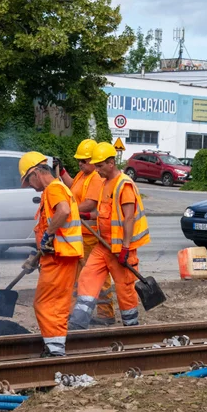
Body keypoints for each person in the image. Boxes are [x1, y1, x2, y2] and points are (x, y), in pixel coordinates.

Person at [69, 142, 150, 330]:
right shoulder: (105, 184)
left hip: (120, 248)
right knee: (87, 277)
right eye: (96, 166)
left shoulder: (124, 185)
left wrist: (126, 248)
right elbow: (104, 212)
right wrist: (87, 215)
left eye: (100, 166)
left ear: (111, 163)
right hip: (103, 245)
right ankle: (78, 322)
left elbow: (128, 218)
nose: (97, 170)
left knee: (124, 287)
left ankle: (131, 326)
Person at [19, 151, 84, 357]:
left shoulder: (53, 189)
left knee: (45, 303)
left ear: (36, 173)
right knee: (57, 304)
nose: (30, 186)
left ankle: (55, 351)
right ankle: (56, 347)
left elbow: (63, 211)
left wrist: (48, 234)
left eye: (28, 180)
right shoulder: (58, 188)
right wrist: (38, 251)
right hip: (60, 256)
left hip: (59, 257)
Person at [69, 138, 116, 326]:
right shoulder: (83, 176)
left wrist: (72, 212)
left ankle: (106, 313)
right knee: (80, 275)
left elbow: (91, 204)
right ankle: (75, 312)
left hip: (93, 236)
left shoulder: (97, 178)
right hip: (83, 234)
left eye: (84, 161)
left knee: (99, 276)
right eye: (79, 160)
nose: (80, 163)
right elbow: (74, 188)